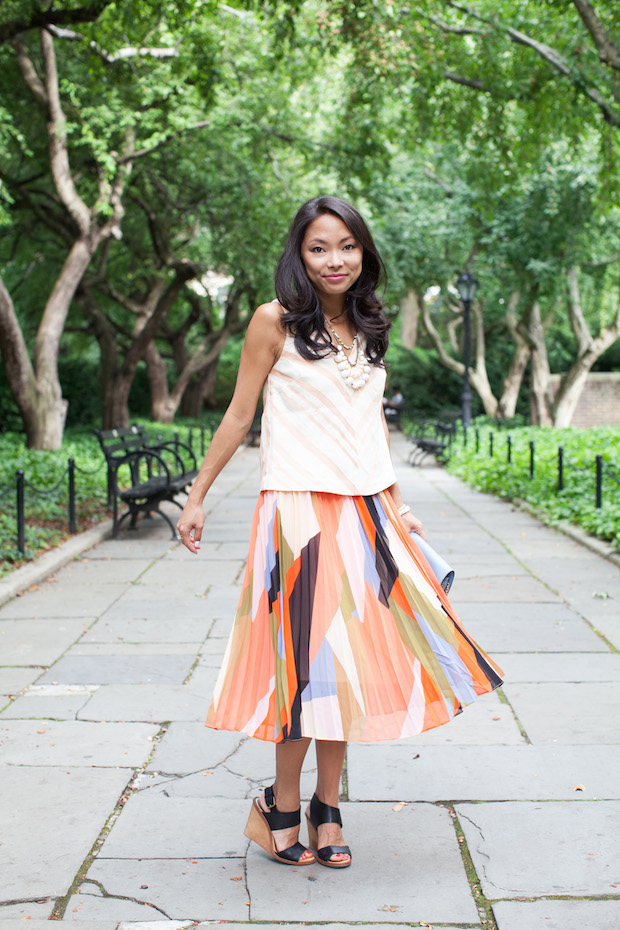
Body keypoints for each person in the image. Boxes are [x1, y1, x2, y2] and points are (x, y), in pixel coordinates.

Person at [175, 195, 503, 870]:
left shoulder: (369, 323)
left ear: (364, 252)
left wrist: (396, 501)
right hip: (296, 515)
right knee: (302, 669)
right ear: (299, 253)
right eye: (319, 247)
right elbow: (240, 415)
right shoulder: (274, 321)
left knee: (346, 669)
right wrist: (197, 496)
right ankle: (281, 806)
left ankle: (328, 806)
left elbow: (368, 425)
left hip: (363, 514)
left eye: (347, 246)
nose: (335, 260)